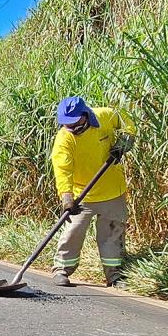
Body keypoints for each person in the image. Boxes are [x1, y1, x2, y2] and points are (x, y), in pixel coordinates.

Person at [50, 96, 136, 287]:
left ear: (85, 115)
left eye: (74, 123)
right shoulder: (64, 139)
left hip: (112, 190)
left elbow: (125, 121)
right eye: (66, 124)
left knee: (113, 234)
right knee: (73, 231)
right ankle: (61, 269)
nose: (70, 127)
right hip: (83, 195)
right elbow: (62, 171)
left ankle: (115, 275)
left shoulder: (104, 116)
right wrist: (67, 198)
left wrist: (126, 139)